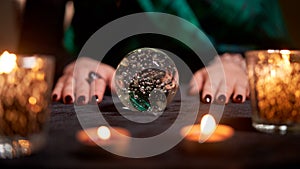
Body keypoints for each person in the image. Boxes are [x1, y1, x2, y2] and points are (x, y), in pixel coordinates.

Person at [17, 0, 294, 105]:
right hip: (99, 95)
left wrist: (244, 61)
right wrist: (72, 64)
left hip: (218, 93)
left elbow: (283, 50)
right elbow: (35, 44)